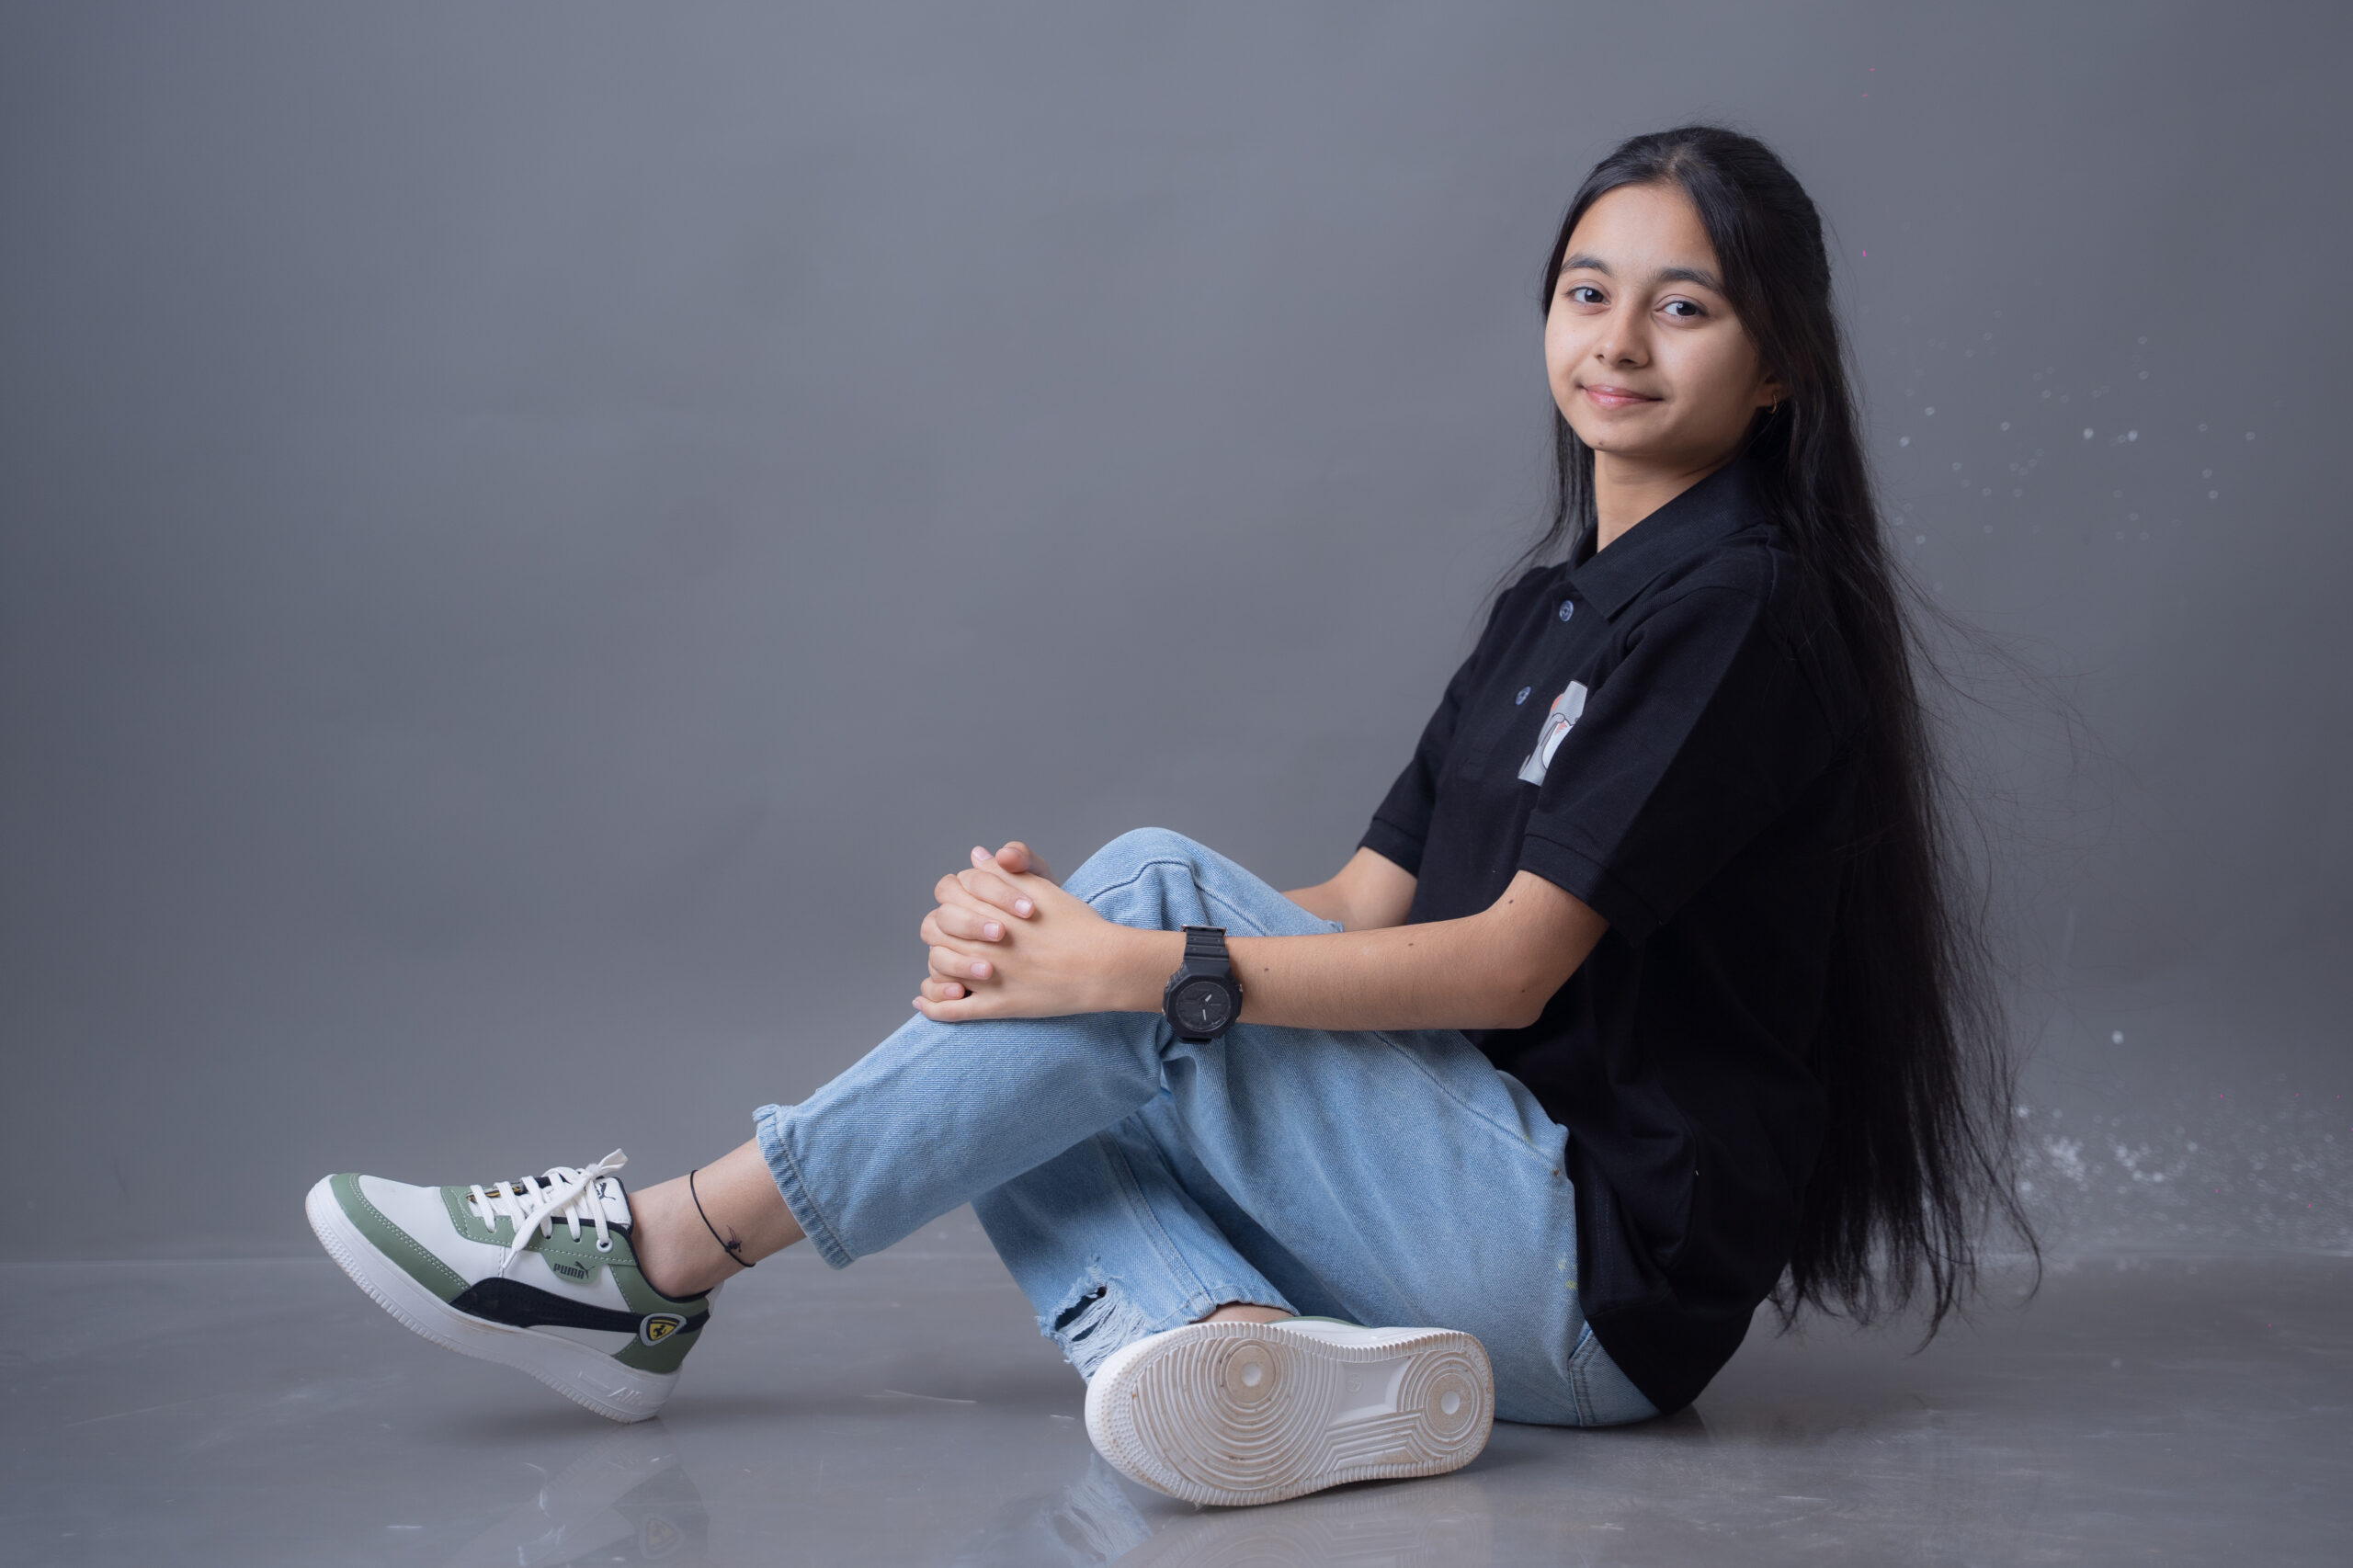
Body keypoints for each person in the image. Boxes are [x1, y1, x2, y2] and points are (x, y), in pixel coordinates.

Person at [305, 124, 2029, 1509]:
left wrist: (1134, 959)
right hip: (1465, 1219)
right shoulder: (1553, 605)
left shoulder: (1740, 606)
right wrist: (1060, 957)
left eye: (1685, 306)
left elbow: (1507, 968)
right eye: (1589, 292)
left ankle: (655, 1260)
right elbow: (1358, 904)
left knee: (1116, 941)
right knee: (1032, 1029)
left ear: (1779, 367)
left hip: (1592, 1278)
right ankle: (1227, 1351)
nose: (1618, 341)